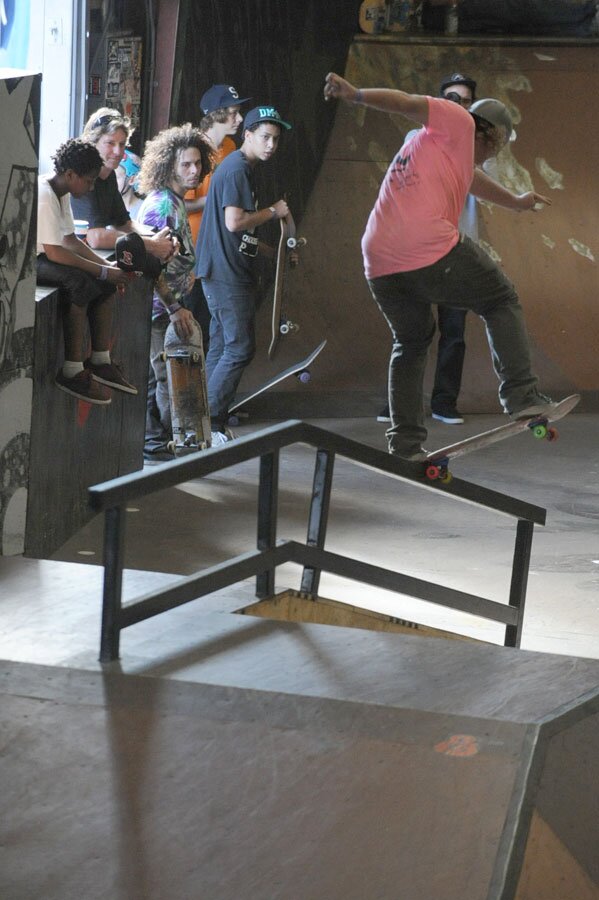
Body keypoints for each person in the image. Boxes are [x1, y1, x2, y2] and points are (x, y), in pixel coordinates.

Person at [324, 72, 556, 463]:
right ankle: (523, 396)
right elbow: (406, 101)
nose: (492, 158)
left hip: (379, 261)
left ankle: (405, 444)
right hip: (426, 247)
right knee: (500, 298)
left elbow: (474, 182)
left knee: (412, 342)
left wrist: (517, 202)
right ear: (493, 135)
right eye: (496, 149)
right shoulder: (459, 121)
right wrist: (356, 95)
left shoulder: (433, 147)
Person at [378, 71, 479, 426]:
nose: (459, 105)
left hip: (456, 248)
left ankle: (444, 403)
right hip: (415, 250)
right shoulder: (416, 135)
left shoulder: (473, 141)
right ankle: (396, 404)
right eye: (452, 98)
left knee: (454, 331)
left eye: (465, 100)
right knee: (410, 330)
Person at [195, 105, 292, 444]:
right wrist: (272, 212)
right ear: (247, 134)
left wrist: (273, 253)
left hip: (224, 267)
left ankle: (202, 421)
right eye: (265, 137)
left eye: (276, 140)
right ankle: (210, 423)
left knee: (223, 346)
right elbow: (234, 222)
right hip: (224, 273)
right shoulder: (237, 168)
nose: (271, 145)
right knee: (239, 348)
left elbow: (238, 233)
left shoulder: (243, 169)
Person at [135, 123, 213, 462]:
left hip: (169, 306)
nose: (194, 171)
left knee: (165, 376)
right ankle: (153, 444)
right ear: (169, 166)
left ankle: (160, 441)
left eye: (198, 163)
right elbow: (151, 266)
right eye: (186, 164)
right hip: (158, 309)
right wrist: (174, 307)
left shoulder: (176, 202)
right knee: (160, 377)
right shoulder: (163, 206)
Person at [36, 138, 134, 405]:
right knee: (80, 283)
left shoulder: (62, 191)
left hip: (48, 253)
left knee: (104, 283)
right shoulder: (45, 194)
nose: (91, 187)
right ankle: (72, 370)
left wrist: (107, 268)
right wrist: (101, 272)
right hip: (29, 260)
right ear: (69, 174)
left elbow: (70, 240)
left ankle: (100, 360)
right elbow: (55, 252)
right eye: (89, 181)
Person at [184, 83, 251, 347]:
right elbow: (180, 205)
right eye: (233, 113)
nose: (240, 118)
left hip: (219, 249)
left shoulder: (232, 147)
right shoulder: (192, 151)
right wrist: (214, 201)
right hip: (193, 250)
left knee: (213, 327)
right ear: (216, 114)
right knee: (192, 323)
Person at [71, 108, 175, 264]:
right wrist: (151, 244)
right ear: (92, 142)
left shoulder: (109, 174)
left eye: (122, 144)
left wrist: (162, 239)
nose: (117, 151)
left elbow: (125, 223)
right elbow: (95, 237)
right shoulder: (82, 176)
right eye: (110, 143)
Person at [422, 0, 598, 36]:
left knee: (522, 20)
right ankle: (588, 19)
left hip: (449, 16)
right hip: (444, 15)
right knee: (520, 11)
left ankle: (587, 23)